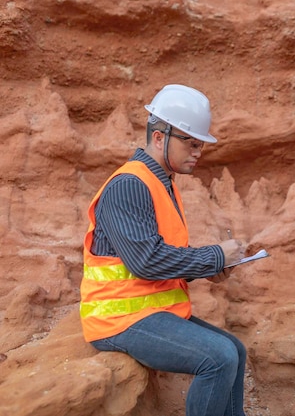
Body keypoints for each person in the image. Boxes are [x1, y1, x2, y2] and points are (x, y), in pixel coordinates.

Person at [79, 84, 248, 416]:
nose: (199, 151)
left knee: (236, 351)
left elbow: (163, 257)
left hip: (148, 314)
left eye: (201, 144)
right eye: (192, 142)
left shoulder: (162, 182)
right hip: (118, 319)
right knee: (218, 358)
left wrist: (210, 270)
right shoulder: (129, 185)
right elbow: (146, 260)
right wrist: (213, 255)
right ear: (159, 137)